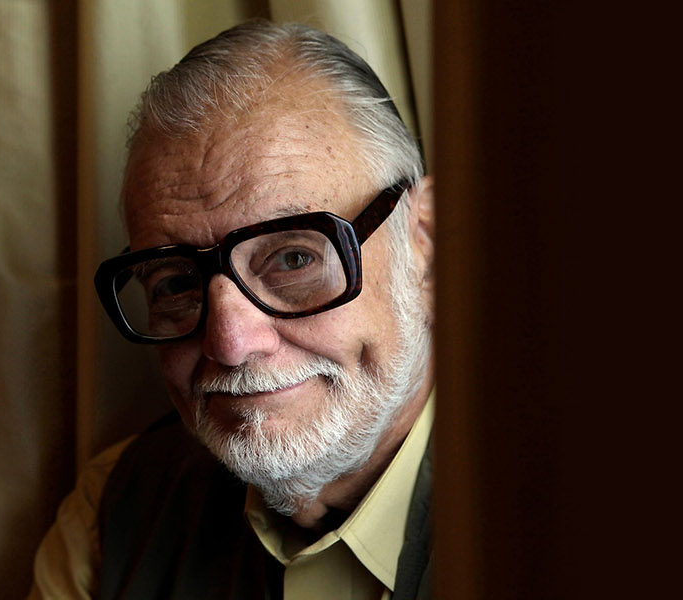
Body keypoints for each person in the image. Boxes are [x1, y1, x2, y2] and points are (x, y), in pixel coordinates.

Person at [31, 20, 435, 600]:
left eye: (294, 258)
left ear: (426, 248)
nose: (230, 342)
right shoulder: (113, 514)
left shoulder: (555, 513)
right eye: (176, 282)